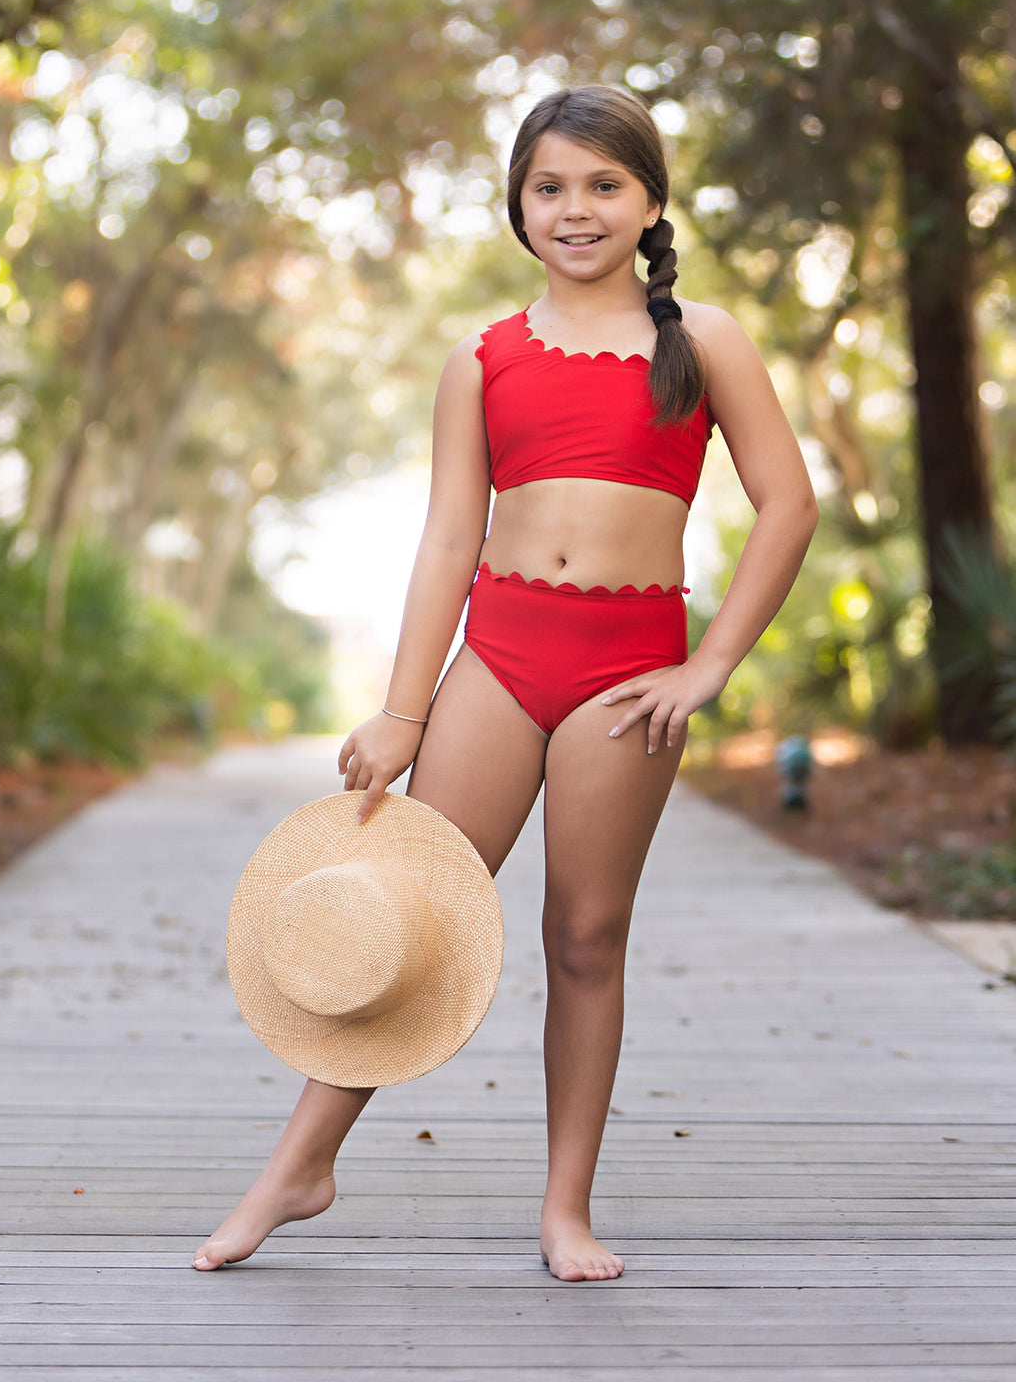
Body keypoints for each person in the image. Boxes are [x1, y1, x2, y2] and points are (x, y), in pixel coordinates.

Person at [193, 84, 818, 1282]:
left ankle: (565, 1209)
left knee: (585, 936)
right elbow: (446, 541)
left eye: (604, 185)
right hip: (500, 658)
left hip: (627, 677)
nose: (576, 209)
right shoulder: (481, 359)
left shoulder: (703, 343)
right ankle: (298, 1168)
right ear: (518, 206)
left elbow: (787, 504)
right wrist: (402, 709)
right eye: (550, 187)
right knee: (411, 910)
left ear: (649, 203)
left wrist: (711, 665)